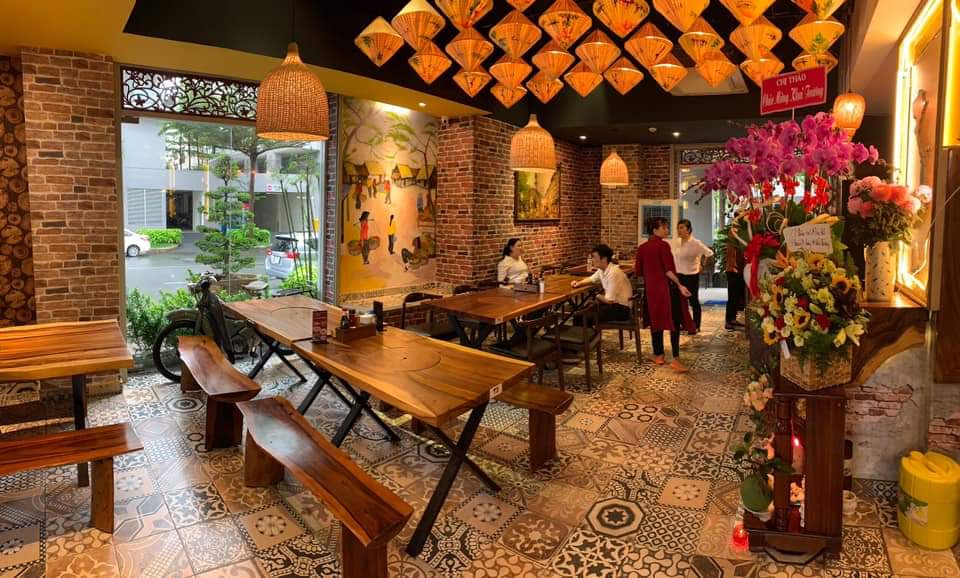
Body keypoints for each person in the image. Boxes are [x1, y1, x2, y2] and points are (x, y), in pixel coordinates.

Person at [635, 217, 695, 373]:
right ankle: (675, 359)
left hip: (651, 292)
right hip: (667, 290)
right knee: (674, 323)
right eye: (664, 228)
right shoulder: (663, 245)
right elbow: (668, 270)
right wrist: (680, 285)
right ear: (655, 230)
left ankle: (659, 355)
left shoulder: (642, 248)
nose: (667, 230)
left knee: (656, 322)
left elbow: (639, 272)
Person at [571, 244, 633, 323]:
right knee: (580, 314)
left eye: (594, 257)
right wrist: (579, 283)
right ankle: (587, 330)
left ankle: (587, 330)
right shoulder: (602, 270)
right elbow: (592, 279)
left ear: (604, 258)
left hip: (622, 309)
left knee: (584, 317)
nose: (592, 260)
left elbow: (609, 300)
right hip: (613, 305)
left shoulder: (613, 273)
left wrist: (597, 295)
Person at [671, 219, 714, 333]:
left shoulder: (695, 242)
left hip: (691, 275)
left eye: (681, 228)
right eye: (678, 228)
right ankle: (684, 324)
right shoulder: (677, 242)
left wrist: (702, 265)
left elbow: (709, 253)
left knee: (693, 301)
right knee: (680, 302)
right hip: (679, 275)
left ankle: (696, 325)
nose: (679, 230)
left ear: (688, 229)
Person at [725, 240, 746, 331]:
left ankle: (733, 319)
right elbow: (732, 255)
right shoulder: (733, 238)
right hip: (733, 271)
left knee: (737, 298)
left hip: (741, 271)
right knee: (732, 297)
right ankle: (728, 321)